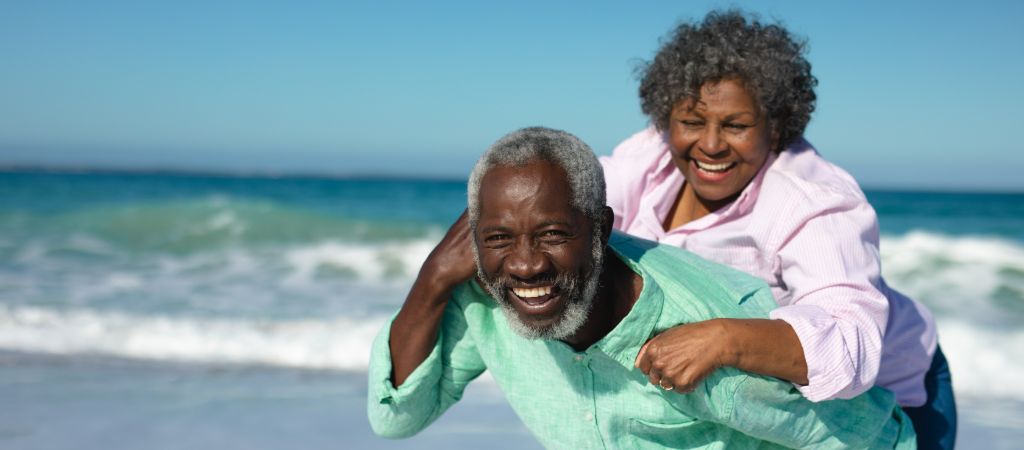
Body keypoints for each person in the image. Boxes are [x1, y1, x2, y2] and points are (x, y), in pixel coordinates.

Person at [367, 127, 915, 449]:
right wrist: (432, 280)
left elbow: (865, 438)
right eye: (500, 238)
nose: (527, 265)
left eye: (553, 235)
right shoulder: (488, 297)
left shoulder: (697, 334)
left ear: (600, 231)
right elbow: (396, 417)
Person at [601, 10, 955, 449]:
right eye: (692, 122)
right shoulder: (651, 159)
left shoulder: (814, 202)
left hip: (896, 397)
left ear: (777, 125)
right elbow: (573, 192)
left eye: (737, 126)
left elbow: (851, 343)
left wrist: (725, 339)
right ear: (665, 119)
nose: (710, 145)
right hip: (774, 402)